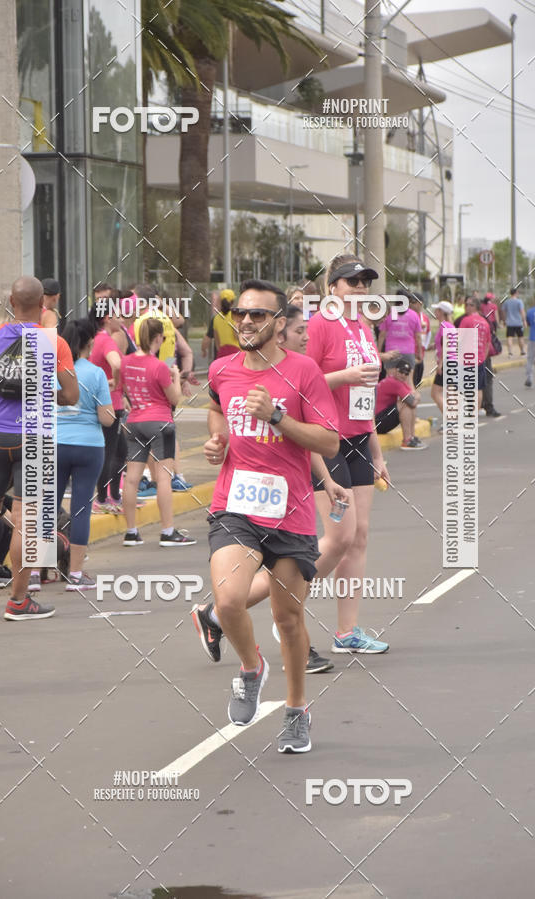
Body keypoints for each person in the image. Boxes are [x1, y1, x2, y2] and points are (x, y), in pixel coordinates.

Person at [202, 279, 339, 753]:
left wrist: (278, 417)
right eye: (240, 313)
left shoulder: (303, 372)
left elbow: (328, 441)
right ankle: (250, 667)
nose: (245, 321)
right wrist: (216, 444)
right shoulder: (221, 369)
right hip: (235, 506)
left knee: (288, 618)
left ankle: (296, 708)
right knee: (228, 600)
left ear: (279, 322)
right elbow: (218, 417)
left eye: (257, 315)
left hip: (292, 511)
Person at [0, 275, 78, 620]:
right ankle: (19, 602)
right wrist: (43, 393)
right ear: (43, 305)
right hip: (35, 438)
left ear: (10, 302)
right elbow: (72, 396)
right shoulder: (54, 343)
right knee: (27, 521)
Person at [305, 254, 390, 653]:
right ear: (333, 287)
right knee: (339, 537)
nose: (359, 289)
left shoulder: (363, 327)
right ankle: (284, 603)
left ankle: (346, 633)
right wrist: (345, 375)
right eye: (351, 282)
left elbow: (365, 395)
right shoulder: (319, 324)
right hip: (326, 440)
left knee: (359, 537)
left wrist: (377, 452)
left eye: (364, 283)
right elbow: (300, 384)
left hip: (358, 440)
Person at [121, 316, 196, 547]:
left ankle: (132, 532)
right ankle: (168, 531)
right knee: (164, 477)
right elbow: (174, 399)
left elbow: (124, 389)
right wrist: (175, 376)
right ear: (157, 338)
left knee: (132, 478)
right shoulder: (158, 367)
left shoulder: (125, 362)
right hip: (160, 422)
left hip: (134, 422)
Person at [55, 319, 114, 589]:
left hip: (54, 444)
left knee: (44, 508)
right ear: (89, 344)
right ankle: (76, 575)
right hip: (89, 446)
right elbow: (106, 418)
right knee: (81, 508)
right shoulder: (96, 373)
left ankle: (32, 575)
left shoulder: (50, 370)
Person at [89, 302, 126, 513]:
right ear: (106, 318)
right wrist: (115, 381)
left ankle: (113, 496)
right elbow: (117, 364)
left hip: (105, 403)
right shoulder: (106, 341)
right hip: (111, 404)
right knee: (110, 452)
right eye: (117, 315)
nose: (121, 319)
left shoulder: (94, 340)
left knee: (119, 451)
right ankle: (102, 499)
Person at [375, 359, 425, 449]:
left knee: (407, 402)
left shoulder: (396, 381)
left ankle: (411, 437)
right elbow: (412, 401)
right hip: (377, 423)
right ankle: (407, 440)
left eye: (406, 373)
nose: (403, 375)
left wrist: (415, 396)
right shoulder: (394, 383)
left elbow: (412, 394)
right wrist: (417, 397)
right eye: (401, 371)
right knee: (405, 404)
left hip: (379, 421)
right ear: (395, 370)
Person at [377, 288, 423, 374]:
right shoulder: (414, 315)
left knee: (390, 380)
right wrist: (420, 352)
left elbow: (382, 335)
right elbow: (418, 336)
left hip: (392, 352)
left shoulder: (389, 313)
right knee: (408, 382)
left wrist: (378, 352)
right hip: (408, 352)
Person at [459, 297, 492, 409]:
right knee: (477, 389)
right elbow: (487, 343)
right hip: (480, 359)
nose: (466, 307)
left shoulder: (466, 320)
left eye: (468, 304)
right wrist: (483, 356)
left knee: (464, 388)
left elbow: (459, 339)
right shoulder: (485, 322)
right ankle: (474, 415)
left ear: (474, 307)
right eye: (465, 304)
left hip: (466, 359)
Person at [430, 301, 455, 416]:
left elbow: (446, 346)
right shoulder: (449, 325)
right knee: (450, 393)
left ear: (441, 312)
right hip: (452, 361)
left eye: (437, 310)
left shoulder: (444, 325)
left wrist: (440, 365)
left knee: (435, 393)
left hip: (447, 362)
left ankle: (450, 419)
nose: (435, 312)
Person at [479, 292, 502, 417]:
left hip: (471, 355)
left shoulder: (462, 319)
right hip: (483, 355)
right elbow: (490, 337)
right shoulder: (485, 320)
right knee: (487, 380)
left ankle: (479, 405)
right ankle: (488, 406)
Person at [408, 292, 430, 387]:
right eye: (409, 302)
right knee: (409, 383)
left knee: (416, 381)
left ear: (420, 303)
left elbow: (428, 333)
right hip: (409, 354)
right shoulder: (407, 316)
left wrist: (425, 346)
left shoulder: (425, 318)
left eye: (413, 302)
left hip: (420, 354)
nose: (410, 304)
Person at [502, 287, 527, 356]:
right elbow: (522, 311)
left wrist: (504, 320)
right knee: (520, 337)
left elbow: (504, 312)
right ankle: (522, 351)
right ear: (516, 293)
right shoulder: (519, 301)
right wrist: (524, 320)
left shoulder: (507, 302)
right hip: (518, 322)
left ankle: (510, 352)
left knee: (509, 337)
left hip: (510, 322)